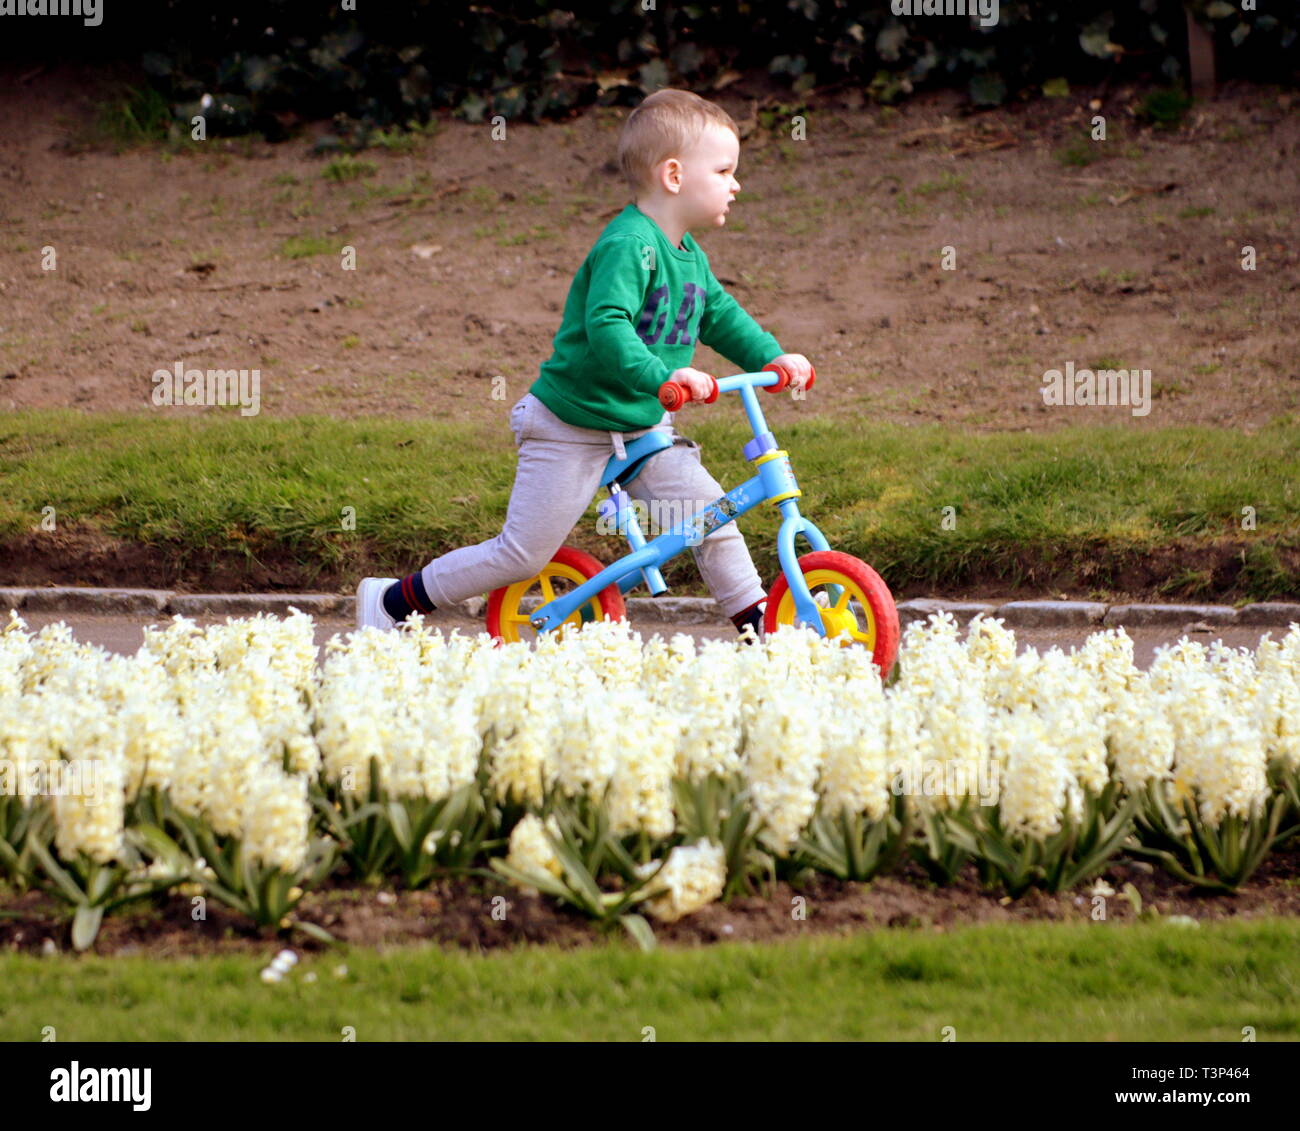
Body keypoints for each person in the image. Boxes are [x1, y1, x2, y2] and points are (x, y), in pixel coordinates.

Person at [356, 88, 815, 642]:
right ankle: (392, 599)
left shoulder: (688, 253)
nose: (735, 184)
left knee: (712, 518)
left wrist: (772, 356)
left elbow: (717, 314)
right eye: (723, 170)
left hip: (642, 428)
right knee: (523, 553)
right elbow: (608, 327)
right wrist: (662, 376)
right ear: (674, 175)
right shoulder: (629, 244)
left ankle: (762, 630)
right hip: (570, 424)